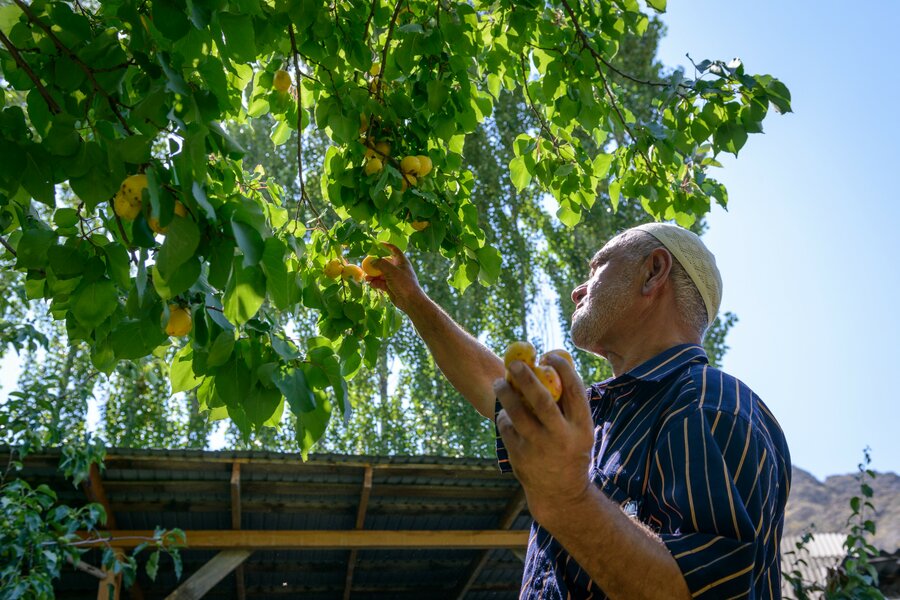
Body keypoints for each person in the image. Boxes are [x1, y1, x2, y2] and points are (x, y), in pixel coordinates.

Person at [369, 223, 791, 599]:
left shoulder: (708, 401)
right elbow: (492, 386)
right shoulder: (597, 415)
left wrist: (568, 498)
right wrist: (412, 299)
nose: (577, 289)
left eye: (598, 267)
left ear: (653, 272)